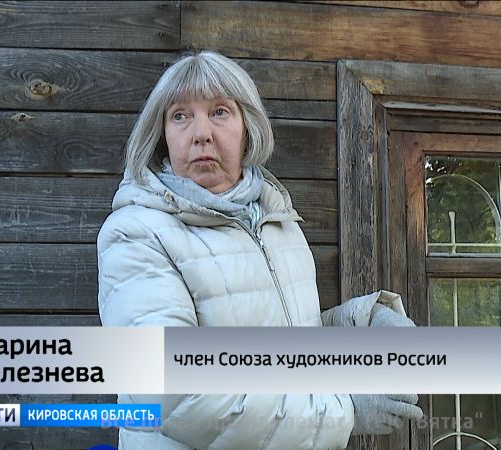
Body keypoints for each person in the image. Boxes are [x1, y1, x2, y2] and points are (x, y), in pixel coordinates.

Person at [97, 50, 423, 450]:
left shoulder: (276, 220)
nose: (201, 133)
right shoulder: (135, 233)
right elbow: (175, 395)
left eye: (219, 111)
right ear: (162, 135)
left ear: (247, 127)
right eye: (180, 116)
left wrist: (361, 323)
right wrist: (345, 413)